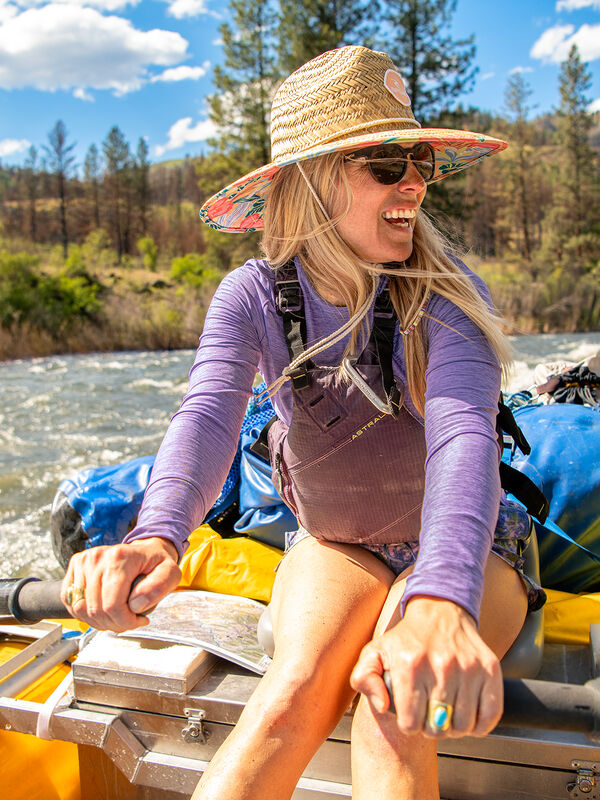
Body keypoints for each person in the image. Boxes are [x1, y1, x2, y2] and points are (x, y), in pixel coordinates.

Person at [61, 45, 546, 800]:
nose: (415, 180)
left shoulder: (448, 294)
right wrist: (156, 534)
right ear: (314, 184)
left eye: (418, 158)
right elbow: (207, 417)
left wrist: (441, 601)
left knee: (394, 703)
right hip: (340, 541)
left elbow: (462, 438)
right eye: (387, 162)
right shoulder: (249, 295)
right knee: (292, 691)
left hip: (471, 545)